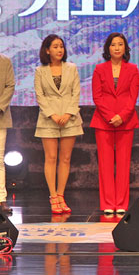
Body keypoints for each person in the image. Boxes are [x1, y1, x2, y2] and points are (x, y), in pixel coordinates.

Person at [90, 32, 139, 214]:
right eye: (113, 44)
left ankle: (121, 203)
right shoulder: (99, 69)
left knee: (124, 164)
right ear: (108, 48)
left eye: (120, 44)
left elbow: (133, 96)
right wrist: (110, 116)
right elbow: (97, 96)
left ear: (125, 48)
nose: (117, 48)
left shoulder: (133, 69)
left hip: (126, 122)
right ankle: (107, 203)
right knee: (105, 164)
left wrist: (122, 116)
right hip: (104, 121)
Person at [34, 35, 83, 214]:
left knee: (65, 158)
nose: (59, 50)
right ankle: (53, 196)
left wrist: (69, 113)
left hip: (70, 118)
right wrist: (52, 114)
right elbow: (40, 96)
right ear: (47, 50)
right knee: (51, 157)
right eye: (55, 47)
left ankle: (61, 195)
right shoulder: (40, 71)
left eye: (61, 46)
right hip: (48, 119)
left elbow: (75, 93)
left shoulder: (72, 68)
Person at [0, 54, 15, 214]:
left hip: (0, 116)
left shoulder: (5, 61)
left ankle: (1, 199)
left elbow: (10, 86)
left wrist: (0, 107)